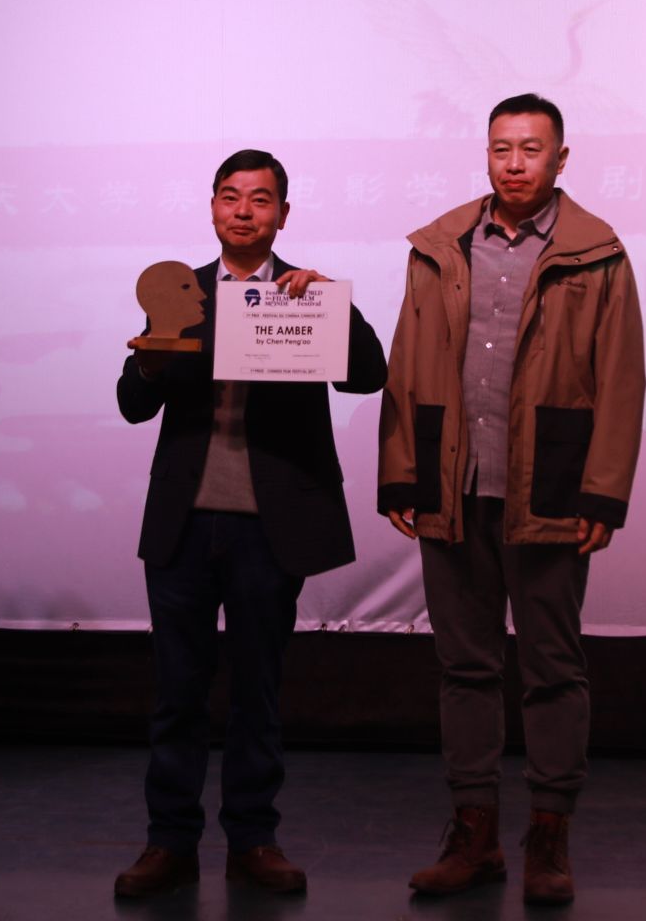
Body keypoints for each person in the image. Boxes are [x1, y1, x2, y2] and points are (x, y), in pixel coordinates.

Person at [378, 94, 645, 906]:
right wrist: (401, 473)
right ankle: (475, 835)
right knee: (465, 667)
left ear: (561, 159)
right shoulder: (440, 248)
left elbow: (622, 379)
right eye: (502, 148)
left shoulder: (597, 253)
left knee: (553, 670)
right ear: (486, 154)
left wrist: (603, 491)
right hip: (453, 488)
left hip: (550, 489)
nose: (515, 163)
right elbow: (406, 364)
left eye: (532, 149)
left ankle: (549, 838)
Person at [113, 149, 386, 898]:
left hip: (270, 526)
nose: (243, 211)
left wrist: (332, 304)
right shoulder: (180, 290)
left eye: (260, 199)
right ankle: (169, 842)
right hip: (183, 523)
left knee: (258, 690)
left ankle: (254, 840)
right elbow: (133, 402)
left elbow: (369, 374)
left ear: (282, 215)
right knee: (178, 691)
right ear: (212, 207)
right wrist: (153, 357)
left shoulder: (306, 294)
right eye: (230, 197)